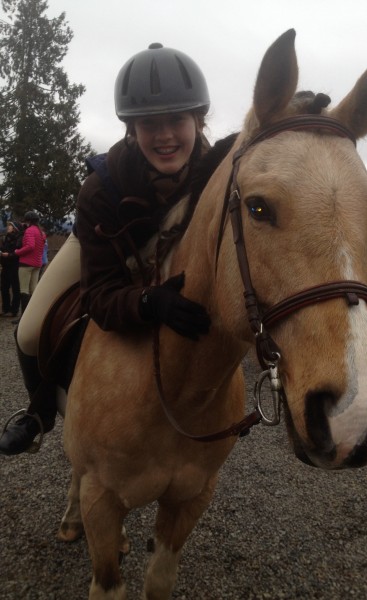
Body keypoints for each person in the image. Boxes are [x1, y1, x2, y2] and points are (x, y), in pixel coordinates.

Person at [0, 43, 211, 456]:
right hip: (104, 242)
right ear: (131, 129)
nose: (165, 135)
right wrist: (149, 301)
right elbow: (99, 295)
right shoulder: (100, 188)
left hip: (172, 247)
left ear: (199, 122)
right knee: (28, 330)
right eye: (149, 123)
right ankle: (40, 410)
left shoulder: (215, 172)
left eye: (177, 120)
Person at [13, 211, 46, 322]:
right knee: (33, 290)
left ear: (28, 221)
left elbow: (30, 246)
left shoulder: (29, 230)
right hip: (37, 264)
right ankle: (33, 316)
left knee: (24, 290)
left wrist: (17, 252)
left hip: (26, 264)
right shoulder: (41, 232)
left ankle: (24, 318)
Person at [0, 221, 22, 317]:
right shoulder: (6, 238)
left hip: (14, 266)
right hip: (5, 266)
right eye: (8, 225)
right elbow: (5, 249)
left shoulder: (19, 239)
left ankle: (14, 310)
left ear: (15, 228)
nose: (8, 227)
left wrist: (8, 254)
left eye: (10, 226)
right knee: (4, 288)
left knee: (15, 289)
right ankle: (6, 308)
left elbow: (17, 253)